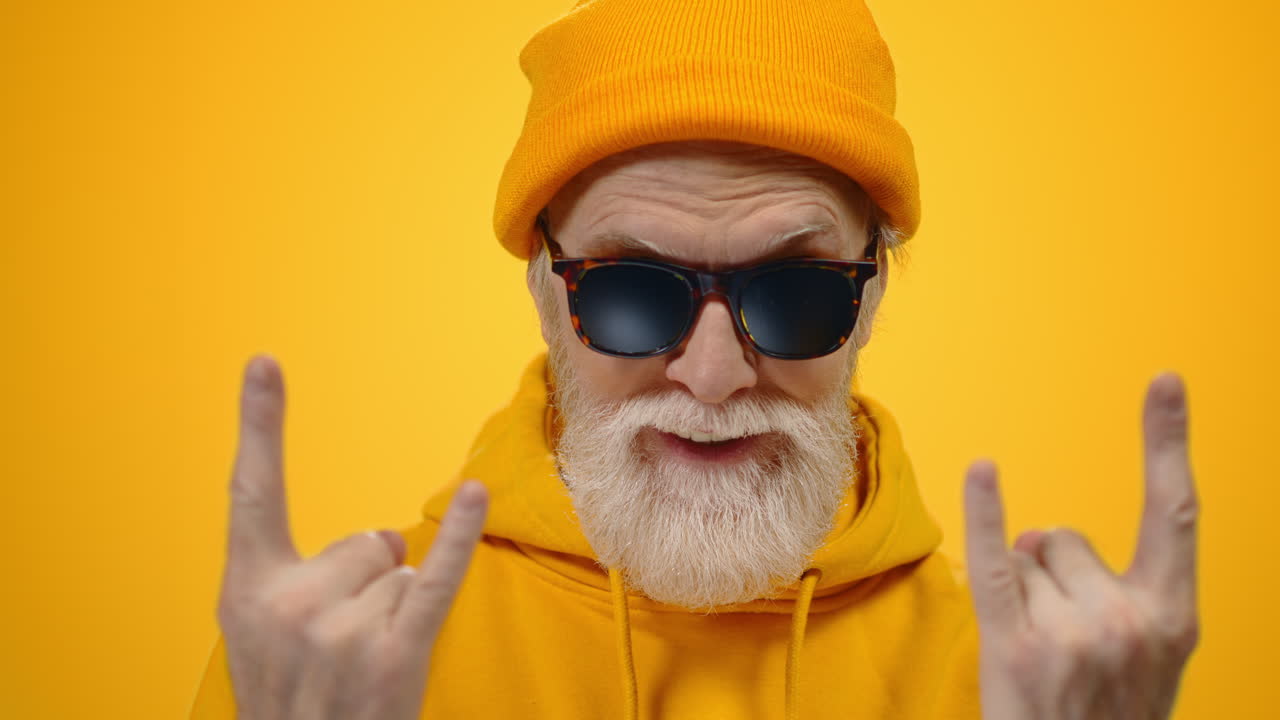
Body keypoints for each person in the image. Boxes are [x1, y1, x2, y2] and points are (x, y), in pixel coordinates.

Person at [191, 1, 1200, 718]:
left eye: (795, 294)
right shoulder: (330, 670)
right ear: (544, 287)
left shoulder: (1033, 681)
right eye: (633, 292)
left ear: (872, 291)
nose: (711, 376)